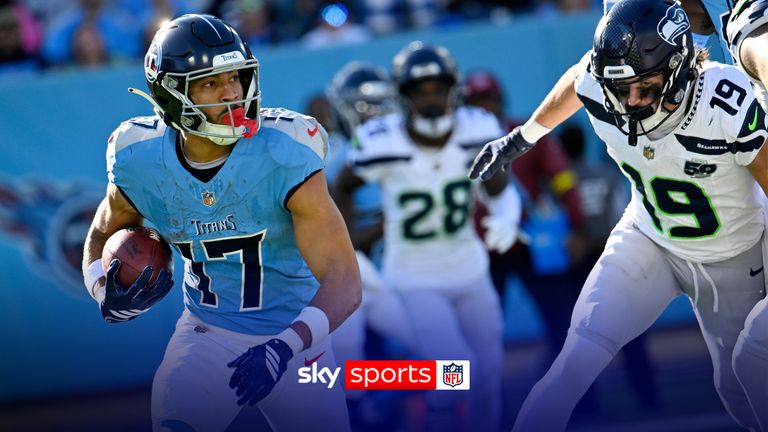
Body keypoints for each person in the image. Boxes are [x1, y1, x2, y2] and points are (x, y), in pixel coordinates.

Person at [469, 0, 768, 430]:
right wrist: (523, 137)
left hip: (735, 255)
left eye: (645, 85)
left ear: (681, 66)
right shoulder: (599, 80)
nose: (631, 101)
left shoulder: (725, 100)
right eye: (620, 87)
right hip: (648, 239)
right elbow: (579, 78)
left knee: (739, 383)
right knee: (574, 361)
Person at [81, 14, 361, 432]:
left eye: (235, 77)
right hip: (206, 334)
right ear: (172, 95)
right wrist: (101, 287)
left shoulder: (285, 151)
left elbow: (344, 280)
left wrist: (283, 347)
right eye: (211, 83)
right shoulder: (138, 157)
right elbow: (103, 231)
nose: (232, 93)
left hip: (298, 344)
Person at [333, 41, 522, 432]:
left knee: (486, 374)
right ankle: (368, 407)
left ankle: (376, 405)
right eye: (421, 88)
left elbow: (502, 190)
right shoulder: (375, 143)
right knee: (454, 371)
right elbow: (342, 187)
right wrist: (345, 240)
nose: (430, 96)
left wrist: (507, 216)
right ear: (403, 95)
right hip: (413, 275)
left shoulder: (477, 129)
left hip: (468, 267)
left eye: (437, 86)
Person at [464, 70, 586, 367]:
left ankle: (579, 398)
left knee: (561, 320)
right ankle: (481, 403)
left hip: (531, 242)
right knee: (479, 331)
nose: (485, 107)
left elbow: (562, 179)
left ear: (500, 99)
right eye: (477, 101)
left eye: (489, 99)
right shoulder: (458, 141)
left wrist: (577, 226)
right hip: (483, 249)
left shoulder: (524, 133)